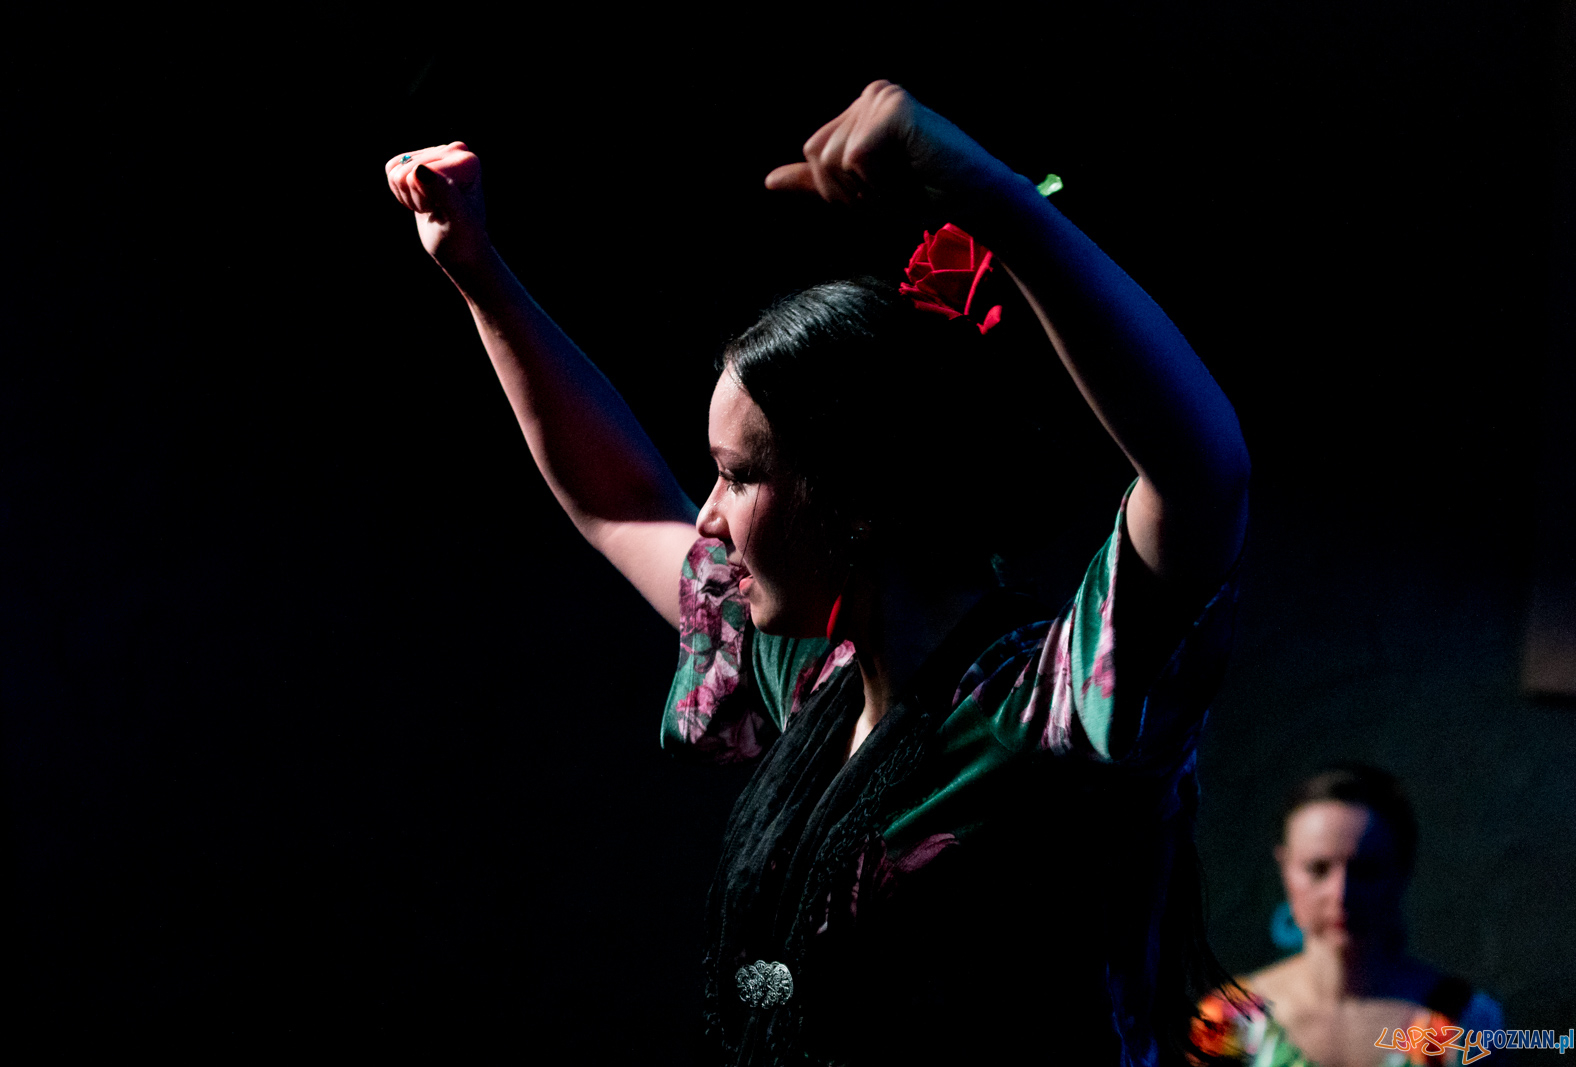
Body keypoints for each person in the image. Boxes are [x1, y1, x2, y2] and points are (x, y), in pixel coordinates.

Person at [385, 80, 1251, 1066]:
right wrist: (479, 272)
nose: (705, 515)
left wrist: (992, 199)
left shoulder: (1043, 712)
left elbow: (1201, 478)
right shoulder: (813, 680)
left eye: (737, 474)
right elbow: (621, 501)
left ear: (855, 498)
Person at [1193, 765, 1504, 1066]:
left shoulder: (1465, 1020)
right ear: (1285, 869)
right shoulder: (1227, 1021)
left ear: (1401, 870)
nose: (1341, 892)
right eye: (1318, 869)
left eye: (1365, 870)